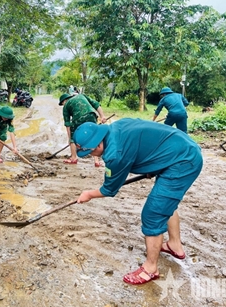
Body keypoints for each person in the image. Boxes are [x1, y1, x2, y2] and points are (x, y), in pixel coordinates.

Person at [73, 119, 203, 285]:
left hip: (184, 161)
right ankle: (174, 245)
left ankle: (150, 269)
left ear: (97, 146)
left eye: (89, 153)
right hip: (181, 148)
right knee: (165, 204)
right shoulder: (116, 127)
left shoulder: (114, 155)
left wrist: (89, 194)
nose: (91, 156)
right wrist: (151, 165)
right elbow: (142, 143)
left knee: (153, 213)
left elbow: (109, 190)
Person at [59, 93, 107, 166]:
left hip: (78, 118)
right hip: (91, 115)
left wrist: (70, 138)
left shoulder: (66, 106)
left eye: (62, 103)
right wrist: (102, 116)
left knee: (73, 137)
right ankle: (96, 161)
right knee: (93, 135)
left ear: (64, 101)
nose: (63, 105)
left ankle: (73, 158)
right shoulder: (82, 95)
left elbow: (67, 124)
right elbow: (96, 105)